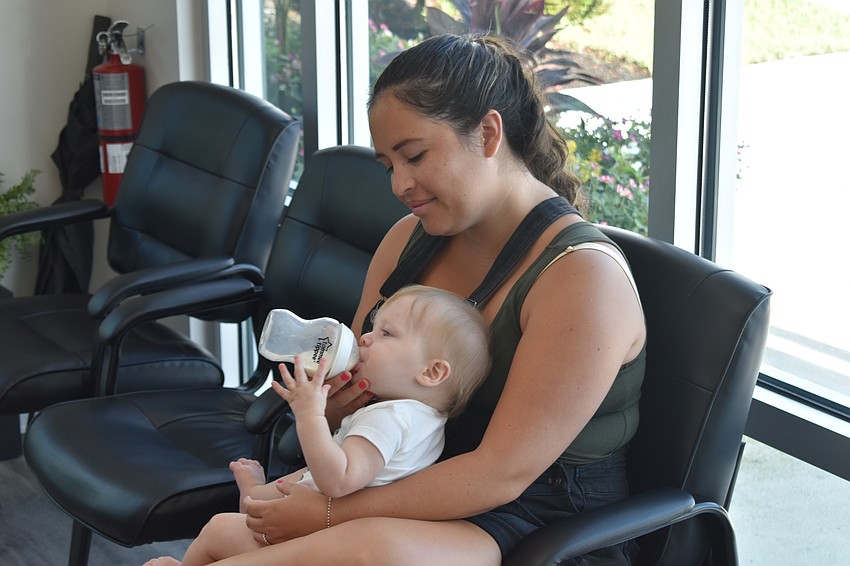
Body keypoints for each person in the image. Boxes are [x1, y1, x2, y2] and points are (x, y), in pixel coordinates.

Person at [162, 32, 646, 565]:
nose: (399, 185)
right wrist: (341, 401)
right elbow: (361, 382)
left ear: (488, 134)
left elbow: (502, 474)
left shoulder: (581, 278)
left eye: (414, 156)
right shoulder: (408, 240)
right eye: (389, 165)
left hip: (537, 522)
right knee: (227, 537)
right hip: (406, 477)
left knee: (373, 552)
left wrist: (329, 515)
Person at [144, 284, 491, 566]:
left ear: (431, 372)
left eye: (386, 333)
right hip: (326, 528)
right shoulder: (424, 421)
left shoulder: (392, 418)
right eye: (373, 327)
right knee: (250, 514)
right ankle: (254, 496)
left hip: (315, 535)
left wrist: (310, 414)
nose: (365, 338)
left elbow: (339, 479)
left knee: (219, 530)